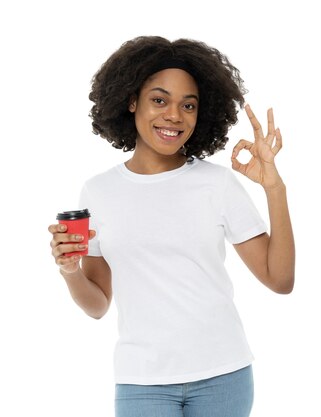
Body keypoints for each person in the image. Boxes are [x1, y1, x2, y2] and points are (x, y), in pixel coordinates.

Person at [48, 36, 295, 417]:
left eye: (188, 105)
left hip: (223, 376)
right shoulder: (98, 191)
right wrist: (69, 272)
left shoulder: (218, 185)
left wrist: (274, 188)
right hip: (141, 381)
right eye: (159, 100)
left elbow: (280, 281)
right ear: (132, 101)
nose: (174, 116)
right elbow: (97, 305)